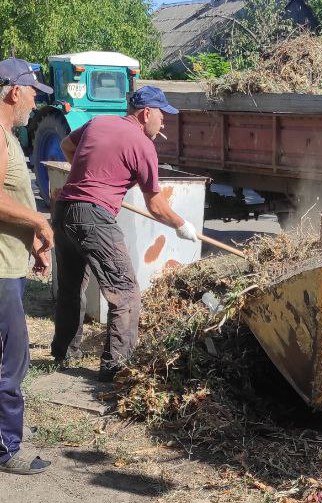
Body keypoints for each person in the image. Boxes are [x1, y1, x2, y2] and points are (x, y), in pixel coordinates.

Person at [51, 86, 198, 382]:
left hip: (65, 209)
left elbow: (68, 145)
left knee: (70, 286)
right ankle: (116, 369)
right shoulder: (144, 146)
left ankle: (64, 353)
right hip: (93, 217)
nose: (164, 122)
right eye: (162, 114)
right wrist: (183, 225)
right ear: (146, 114)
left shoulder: (99, 122)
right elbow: (156, 205)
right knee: (127, 294)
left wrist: (87, 178)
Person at [0, 57, 54, 474]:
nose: (35, 103)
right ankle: (6, 449)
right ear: (14, 91)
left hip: (11, 263)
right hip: (0, 272)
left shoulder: (9, 135)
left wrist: (33, 241)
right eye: (34, 94)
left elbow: (12, 199)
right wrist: (38, 220)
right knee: (10, 362)